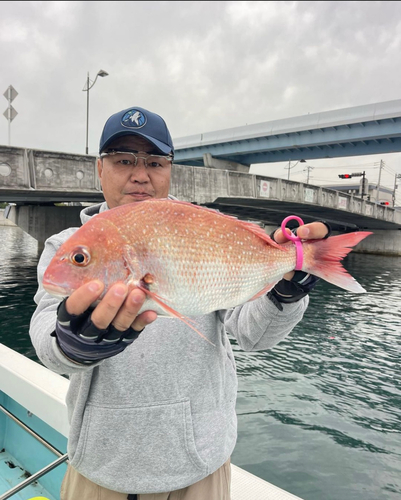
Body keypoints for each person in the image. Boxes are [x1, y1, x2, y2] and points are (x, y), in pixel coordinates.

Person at [29, 106, 329, 500]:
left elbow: (255, 336)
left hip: (200, 469)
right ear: (99, 169)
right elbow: (46, 339)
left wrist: (285, 291)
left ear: (170, 170)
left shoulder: (209, 229)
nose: (140, 173)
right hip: (102, 469)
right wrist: (72, 345)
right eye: (123, 160)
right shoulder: (68, 245)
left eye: (155, 161)